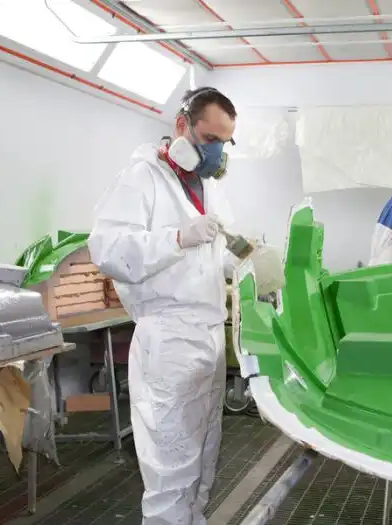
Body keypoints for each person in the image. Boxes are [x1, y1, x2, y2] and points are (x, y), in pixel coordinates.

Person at [88, 87, 237, 525]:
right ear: (181, 125)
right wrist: (176, 238)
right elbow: (108, 250)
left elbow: (217, 251)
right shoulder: (142, 178)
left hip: (208, 335)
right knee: (171, 465)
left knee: (204, 453)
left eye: (224, 143)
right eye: (209, 140)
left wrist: (246, 259)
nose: (216, 153)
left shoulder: (208, 186)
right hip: (169, 340)